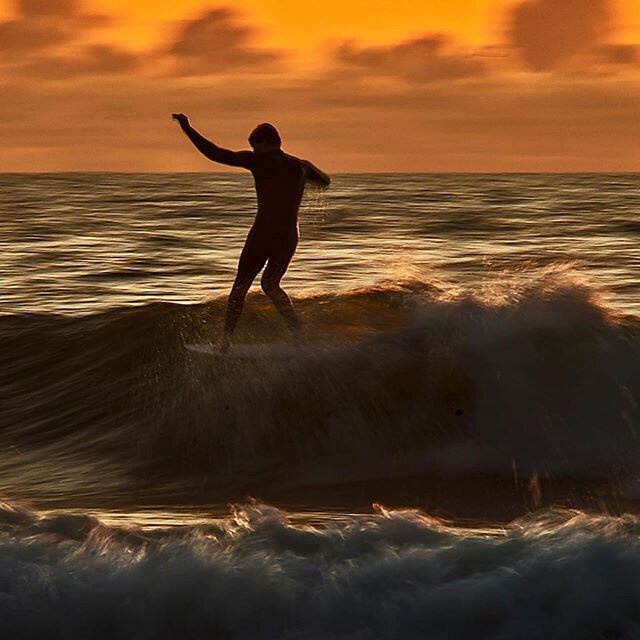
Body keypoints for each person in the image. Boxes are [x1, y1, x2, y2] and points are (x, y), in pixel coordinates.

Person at [172, 114, 330, 351]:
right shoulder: (300, 166)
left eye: (254, 147)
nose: (253, 152)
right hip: (288, 238)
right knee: (271, 284)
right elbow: (325, 181)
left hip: (264, 235)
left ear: (265, 143)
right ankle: (297, 332)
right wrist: (302, 170)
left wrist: (188, 128)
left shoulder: (260, 161)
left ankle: (225, 340)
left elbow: (214, 153)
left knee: (240, 286)